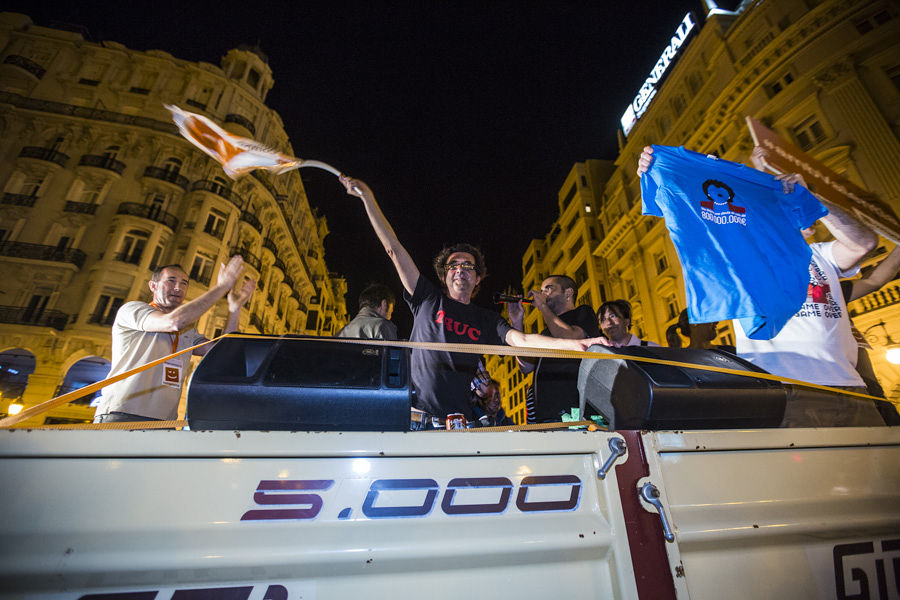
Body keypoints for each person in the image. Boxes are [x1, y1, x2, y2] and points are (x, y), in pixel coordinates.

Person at [637, 145, 884, 427]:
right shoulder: (739, 256)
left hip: (852, 388)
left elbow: (864, 242)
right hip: (783, 390)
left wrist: (812, 199)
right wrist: (660, 167)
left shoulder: (820, 254)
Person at [340, 176, 607, 424]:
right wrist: (368, 198)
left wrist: (577, 343)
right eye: (453, 265)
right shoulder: (427, 299)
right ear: (445, 276)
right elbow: (394, 249)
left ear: (478, 279)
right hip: (416, 417)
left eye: (468, 266)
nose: (460, 270)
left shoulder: (486, 320)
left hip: (459, 422)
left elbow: (523, 341)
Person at [93, 257, 254, 423]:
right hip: (121, 415)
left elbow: (222, 355)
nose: (178, 287)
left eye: (184, 283)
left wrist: (234, 310)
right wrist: (222, 287)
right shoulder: (133, 310)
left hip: (165, 422)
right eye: (171, 281)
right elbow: (174, 322)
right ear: (153, 286)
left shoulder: (189, 332)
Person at [506, 275, 601, 423]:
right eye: (541, 291)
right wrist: (517, 322)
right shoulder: (546, 332)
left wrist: (543, 307)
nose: (543, 294)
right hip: (544, 414)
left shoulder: (583, 313)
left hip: (573, 413)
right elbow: (526, 367)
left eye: (549, 289)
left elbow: (571, 341)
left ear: (568, 293)